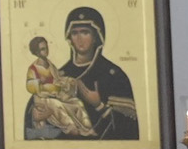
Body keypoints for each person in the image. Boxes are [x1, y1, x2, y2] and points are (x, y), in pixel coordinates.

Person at [49, 7, 139, 140]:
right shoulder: (59, 75)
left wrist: (99, 105)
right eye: (74, 33)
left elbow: (128, 127)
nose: (79, 38)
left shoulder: (114, 75)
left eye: (85, 32)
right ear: (69, 38)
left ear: (96, 37)